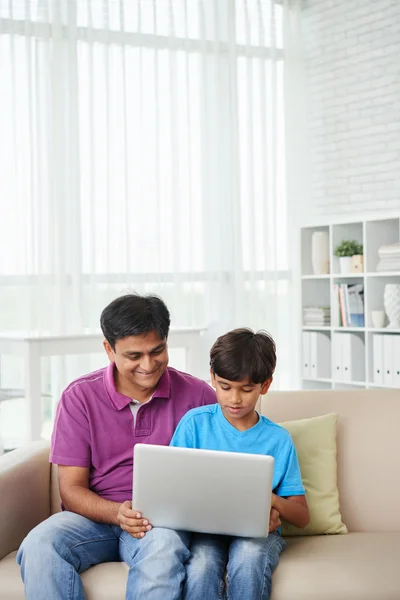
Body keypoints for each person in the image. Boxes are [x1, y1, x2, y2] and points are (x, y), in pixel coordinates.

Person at [16, 293, 216, 600]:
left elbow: (220, 474)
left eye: (157, 351)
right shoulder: (78, 398)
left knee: (163, 545)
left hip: (159, 522)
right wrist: (117, 513)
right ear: (109, 349)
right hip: (92, 520)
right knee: (39, 545)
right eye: (134, 356)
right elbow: (71, 489)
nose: (148, 365)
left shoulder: (199, 395)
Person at [170, 328, 310, 600]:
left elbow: (303, 517)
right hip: (205, 533)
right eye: (225, 387)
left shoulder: (278, 439)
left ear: (265, 386)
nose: (235, 399)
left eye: (246, 390)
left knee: (249, 555)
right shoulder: (194, 425)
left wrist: (271, 501)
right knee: (201, 566)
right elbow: (172, 490)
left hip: (258, 535)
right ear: (212, 377)